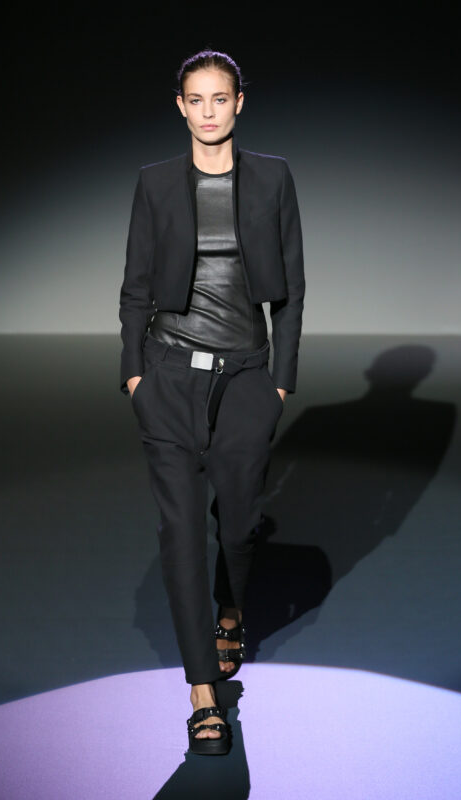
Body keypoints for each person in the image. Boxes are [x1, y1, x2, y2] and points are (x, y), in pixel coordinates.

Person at [118, 49, 305, 755]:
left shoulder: (273, 178)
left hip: (246, 377)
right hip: (168, 375)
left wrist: (279, 382)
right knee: (180, 534)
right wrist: (134, 376)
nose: (207, 112)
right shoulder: (155, 183)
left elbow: (291, 291)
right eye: (194, 100)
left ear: (238, 103)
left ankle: (231, 608)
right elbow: (135, 287)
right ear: (180, 106)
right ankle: (203, 694)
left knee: (239, 526)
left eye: (219, 98)